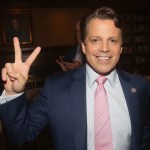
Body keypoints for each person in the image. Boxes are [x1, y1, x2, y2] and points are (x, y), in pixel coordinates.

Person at [0, 7, 150, 150]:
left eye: (112, 40)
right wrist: (13, 93)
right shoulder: (56, 88)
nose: (105, 48)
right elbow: (21, 134)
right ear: (84, 46)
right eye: (95, 40)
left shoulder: (140, 87)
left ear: (121, 48)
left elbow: (143, 136)